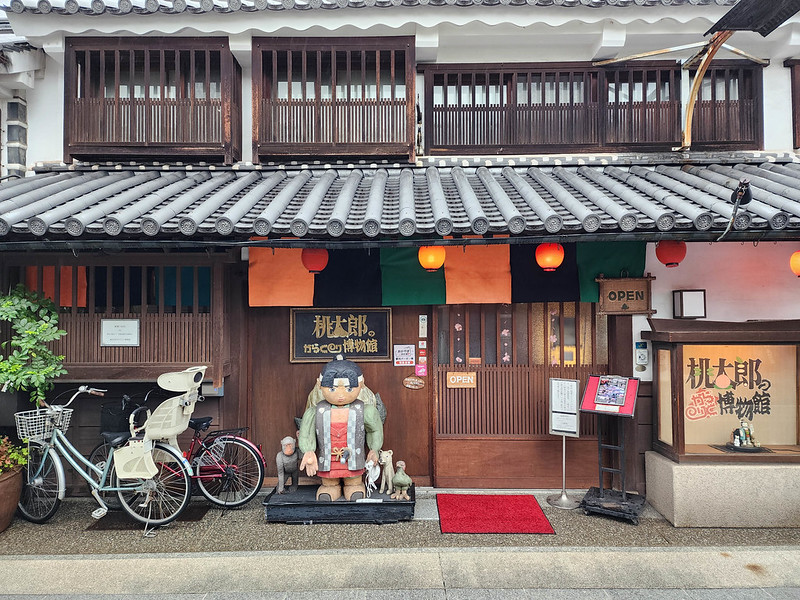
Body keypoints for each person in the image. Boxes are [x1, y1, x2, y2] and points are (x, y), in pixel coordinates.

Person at [298, 355, 383, 501]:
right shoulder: (315, 412)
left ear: (361, 384)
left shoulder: (365, 411)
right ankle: (330, 487)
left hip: (354, 458)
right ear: (319, 384)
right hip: (328, 459)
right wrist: (308, 451)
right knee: (329, 481)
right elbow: (306, 433)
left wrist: (374, 449)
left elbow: (375, 430)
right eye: (332, 388)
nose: (341, 395)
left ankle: (354, 485)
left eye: (349, 389)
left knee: (354, 479)